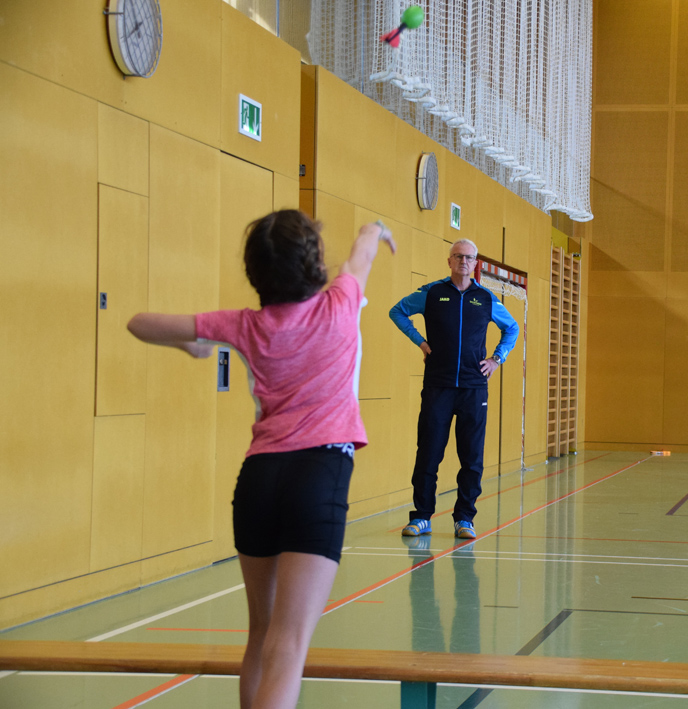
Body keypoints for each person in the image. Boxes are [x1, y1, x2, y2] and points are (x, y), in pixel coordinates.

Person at [127, 210, 396, 709]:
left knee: (262, 635)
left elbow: (138, 323)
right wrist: (376, 230)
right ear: (313, 264)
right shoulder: (341, 301)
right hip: (318, 477)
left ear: (257, 272)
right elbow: (362, 252)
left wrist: (192, 345)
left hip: (258, 481)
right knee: (288, 647)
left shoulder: (244, 325)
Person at [390, 239, 519, 539]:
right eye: (458, 256)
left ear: (475, 264)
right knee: (428, 453)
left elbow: (512, 328)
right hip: (438, 386)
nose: (463, 261)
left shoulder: (486, 298)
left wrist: (497, 359)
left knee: (471, 458)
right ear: (449, 261)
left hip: (474, 388)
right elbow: (397, 311)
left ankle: (464, 518)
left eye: (469, 257)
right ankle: (422, 516)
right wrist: (421, 342)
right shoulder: (431, 293)